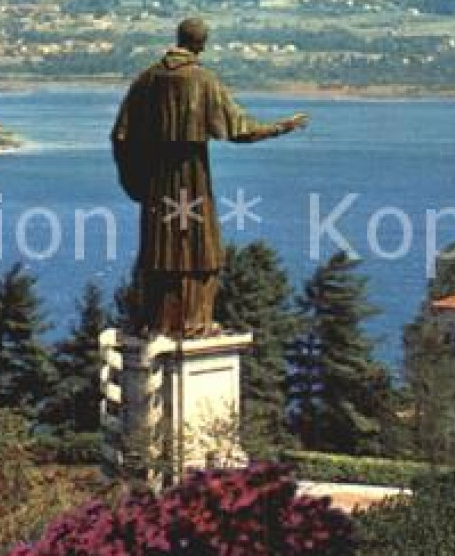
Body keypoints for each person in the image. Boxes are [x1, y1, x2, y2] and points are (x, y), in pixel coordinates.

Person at [110, 17, 308, 337]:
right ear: (201, 44)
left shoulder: (147, 80)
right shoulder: (203, 81)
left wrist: (136, 182)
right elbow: (240, 129)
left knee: (160, 249)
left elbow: (121, 136)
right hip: (193, 179)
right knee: (200, 249)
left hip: (158, 186)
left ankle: (159, 319)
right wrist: (282, 126)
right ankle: (194, 321)